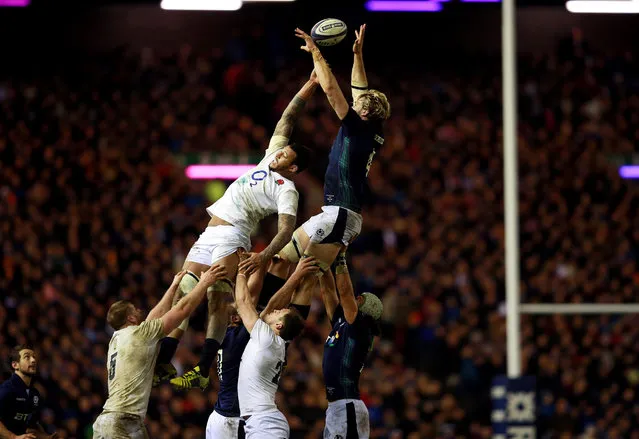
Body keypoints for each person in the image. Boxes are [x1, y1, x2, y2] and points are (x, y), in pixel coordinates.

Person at [164, 72, 319, 390]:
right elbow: (287, 119)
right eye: (280, 150)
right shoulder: (266, 160)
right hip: (208, 233)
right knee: (183, 290)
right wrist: (310, 84)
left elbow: (286, 229)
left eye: (285, 155)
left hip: (234, 235)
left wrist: (264, 256)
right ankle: (164, 363)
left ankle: (203, 368)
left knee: (216, 300)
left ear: (292, 167)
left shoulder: (286, 189)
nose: (278, 153)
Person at [278, 25, 391, 300]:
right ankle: (264, 319)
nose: (355, 102)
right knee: (282, 263)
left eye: (358, 103)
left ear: (363, 111)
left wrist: (316, 51)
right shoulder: (373, 128)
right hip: (339, 214)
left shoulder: (357, 128)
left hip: (339, 214)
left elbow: (330, 88)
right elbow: (359, 88)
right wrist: (357, 56)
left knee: (302, 282)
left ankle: (267, 327)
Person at [92, 265, 227, 439]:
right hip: (122, 422)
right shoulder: (139, 334)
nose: (140, 311)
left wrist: (173, 287)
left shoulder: (117, 339)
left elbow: (153, 317)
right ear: (130, 318)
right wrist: (204, 283)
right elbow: (181, 310)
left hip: (110, 421)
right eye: (135, 310)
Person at [204, 257, 319, 439]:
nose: (275, 310)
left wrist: (254, 264)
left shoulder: (257, 338)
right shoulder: (258, 338)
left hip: (243, 420)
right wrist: (260, 262)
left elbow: (248, 301)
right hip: (251, 420)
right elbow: (253, 302)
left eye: (280, 313)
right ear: (236, 319)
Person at [233, 255, 312, 439]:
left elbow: (243, 302)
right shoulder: (273, 341)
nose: (276, 310)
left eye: (280, 313)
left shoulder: (267, 339)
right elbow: (270, 306)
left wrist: (241, 272)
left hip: (264, 423)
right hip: (263, 422)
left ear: (279, 326)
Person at [318, 251, 383, 439]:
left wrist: (339, 257)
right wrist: (321, 263)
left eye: (358, 298)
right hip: (338, 407)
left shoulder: (361, 328)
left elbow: (345, 292)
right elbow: (329, 292)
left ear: (361, 303)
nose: (355, 298)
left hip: (347, 407)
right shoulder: (343, 323)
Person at [0, 346, 56, 439]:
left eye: (34, 357)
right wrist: (13, 437)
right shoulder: (6, 389)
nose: (33, 360)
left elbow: (30, 428)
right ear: (15, 365)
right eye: (27, 357)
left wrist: (47, 437)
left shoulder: (34, 394)